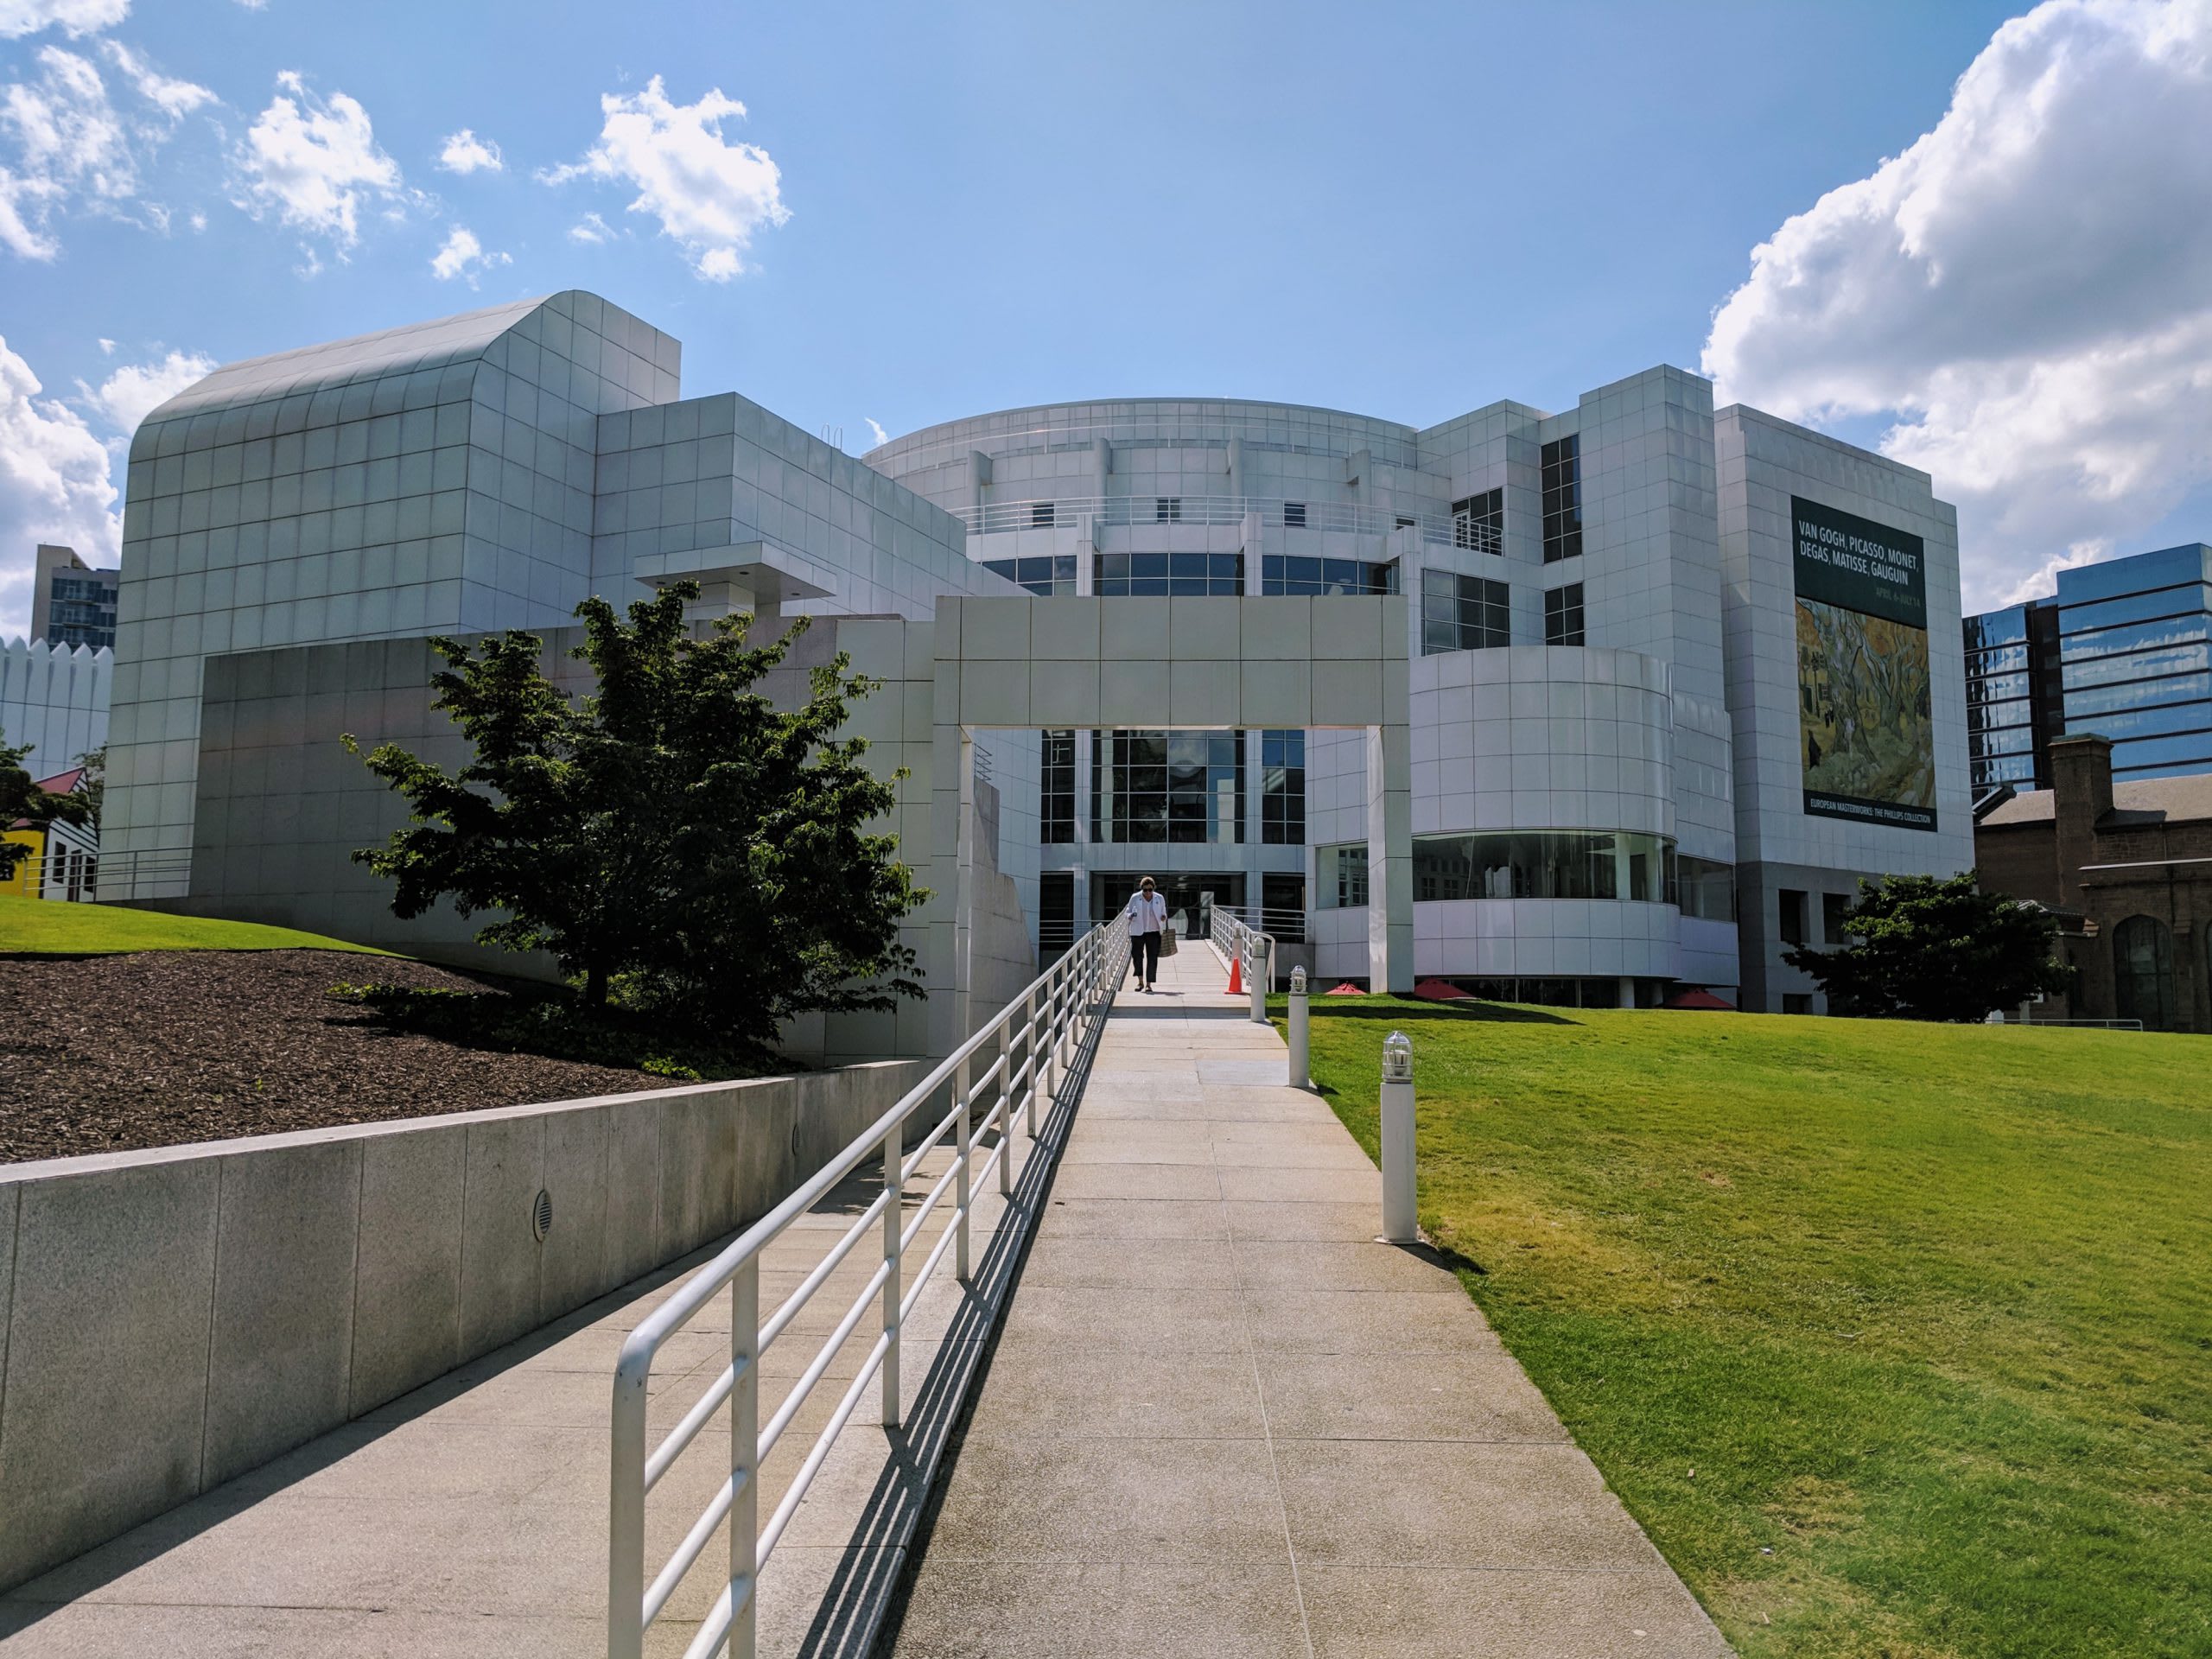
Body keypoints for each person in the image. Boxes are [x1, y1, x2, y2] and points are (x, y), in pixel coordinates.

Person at [1123, 876, 1167, 992]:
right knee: (1137, 957)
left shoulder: (1159, 898)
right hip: (1138, 931)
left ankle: (1149, 984)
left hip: (1153, 931)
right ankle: (1140, 982)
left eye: (1150, 890)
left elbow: (1164, 912)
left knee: (1152, 958)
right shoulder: (1135, 897)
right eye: (1145, 890)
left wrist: (1164, 917)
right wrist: (1130, 916)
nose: (1148, 892)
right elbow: (1127, 911)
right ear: (1141, 889)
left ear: (1153, 888)